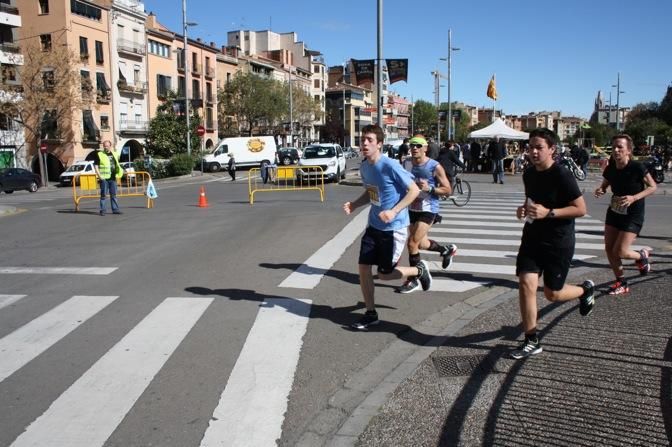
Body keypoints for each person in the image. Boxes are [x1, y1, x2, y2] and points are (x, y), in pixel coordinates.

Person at [512, 128, 595, 359]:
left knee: (552, 294)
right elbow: (532, 201)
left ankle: (584, 290)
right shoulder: (528, 174)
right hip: (532, 237)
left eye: (539, 147)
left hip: (558, 241)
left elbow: (581, 209)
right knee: (526, 284)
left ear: (552, 150)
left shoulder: (562, 175)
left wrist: (548, 212)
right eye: (530, 147)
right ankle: (531, 339)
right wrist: (524, 209)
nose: (533, 152)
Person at [343, 124, 433, 330]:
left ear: (380, 144)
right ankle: (370, 313)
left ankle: (419, 270)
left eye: (370, 140)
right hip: (374, 225)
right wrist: (354, 204)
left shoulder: (390, 165)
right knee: (363, 268)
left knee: (384, 274)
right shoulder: (365, 166)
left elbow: (413, 191)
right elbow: (371, 192)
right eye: (362, 139)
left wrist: (394, 210)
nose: (364, 143)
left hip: (394, 228)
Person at [594, 134, 657, 295]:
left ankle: (641, 257)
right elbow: (606, 184)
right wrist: (601, 190)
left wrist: (633, 197)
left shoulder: (637, 167)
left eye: (620, 147)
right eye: (614, 146)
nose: (616, 150)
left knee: (620, 251)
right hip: (615, 211)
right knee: (609, 249)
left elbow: (652, 187)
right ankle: (621, 282)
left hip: (633, 213)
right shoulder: (611, 168)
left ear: (628, 150)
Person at [397, 136, 457, 293]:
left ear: (425, 149)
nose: (414, 148)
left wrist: (430, 189)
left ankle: (414, 278)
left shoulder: (434, 166)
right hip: (411, 208)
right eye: (412, 145)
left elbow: (448, 190)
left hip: (428, 208)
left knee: (411, 243)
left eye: (418, 146)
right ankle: (446, 250)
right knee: (421, 244)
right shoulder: (406, 163)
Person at [93, 140, 123, 216]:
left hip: (113, 178)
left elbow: (117, 165)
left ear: (110, 146)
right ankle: (103, 210)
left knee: (114, 195)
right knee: (103, 195)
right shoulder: (99, 154)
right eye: (104, 146)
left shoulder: (115, 154)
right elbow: (96, 166)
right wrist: (100, 177)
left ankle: (115, 209)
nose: (106, 147)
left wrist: (118, 174)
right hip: (104, 179)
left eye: (107, 146)